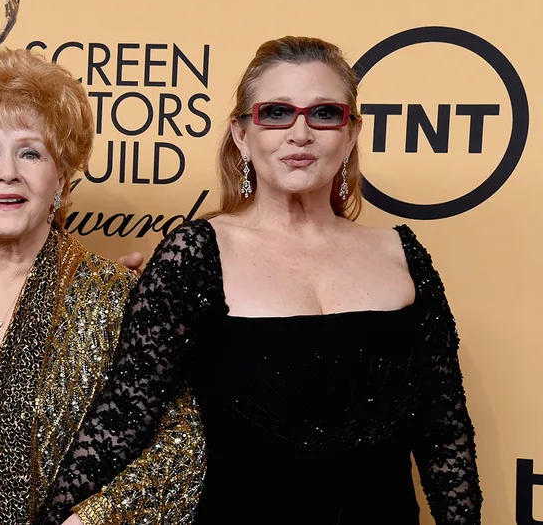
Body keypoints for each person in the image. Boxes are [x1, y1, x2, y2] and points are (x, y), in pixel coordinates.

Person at [35, 36, 483, 525]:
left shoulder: (403, 254)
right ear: (242, 134)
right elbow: (123, 419)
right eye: (276, 113)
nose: (300, 133)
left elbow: (445, 435)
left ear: (351, 133)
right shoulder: (193, 255)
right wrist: (54, 517)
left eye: (324, 113)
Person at [0, 48, 206, 525]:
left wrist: (90, 520)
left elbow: (180, 448)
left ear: (61, 179)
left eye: (30, 152)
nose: (7, 171)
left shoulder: (112, 295)